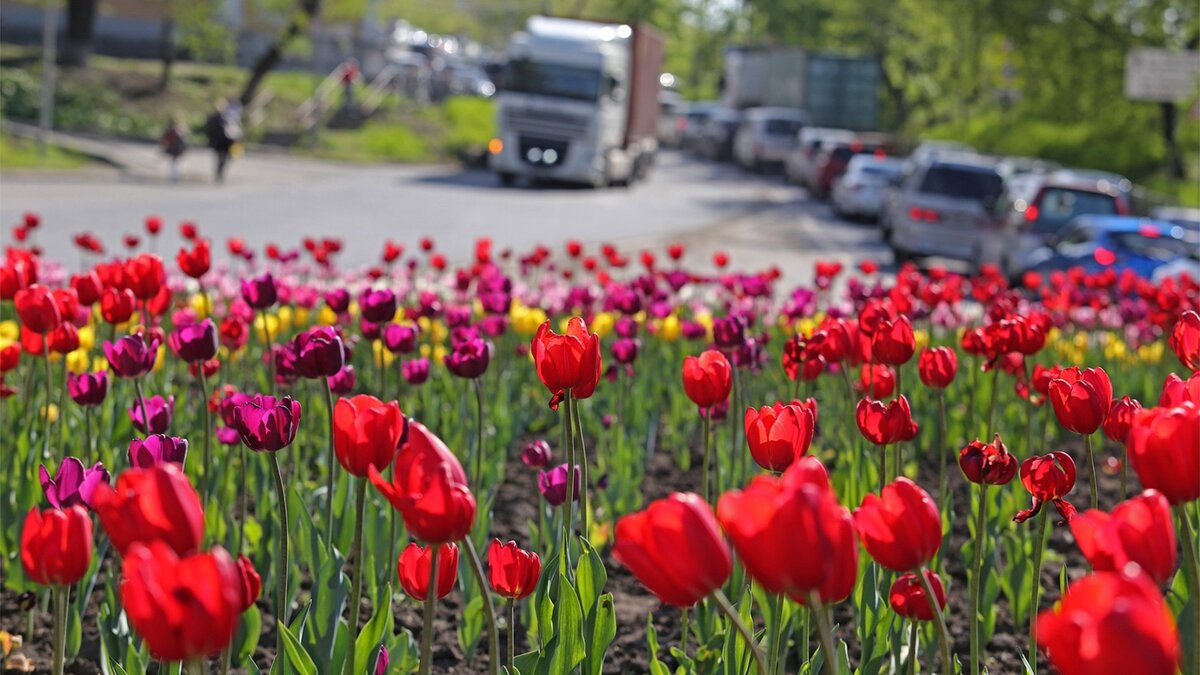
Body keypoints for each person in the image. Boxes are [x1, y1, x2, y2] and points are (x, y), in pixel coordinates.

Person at [204, 99, 240, 184]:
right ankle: (219, 172)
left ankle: (220, 172)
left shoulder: (228, 117)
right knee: (221, 158)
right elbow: (210, 131)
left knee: (224, 158)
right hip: (220, 141)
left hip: (225, 141)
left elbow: (233, 129)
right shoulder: (217, 118)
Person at [158, 116, 187, 183]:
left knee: (174, 163)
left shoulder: (172, 131)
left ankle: (174, 176)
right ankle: (175, 176)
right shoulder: (179, 131)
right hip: (177, 149)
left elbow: (165, 141)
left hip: (175, 149)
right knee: (175, 163)